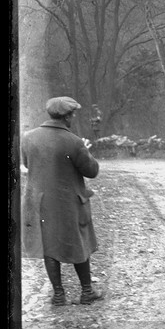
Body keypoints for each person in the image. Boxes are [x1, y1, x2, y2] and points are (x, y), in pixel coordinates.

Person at [20, 96, 104, 305]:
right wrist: (86, 150)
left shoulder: (27, 137)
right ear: (67, 116)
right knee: (79, 241)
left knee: (49, 246)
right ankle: (87, 292)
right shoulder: (74, 141)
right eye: (72, 114)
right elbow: (92, 171)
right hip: (68, 203)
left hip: (39, 203)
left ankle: (58, 295)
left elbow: (28, 165)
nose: (73, 118)